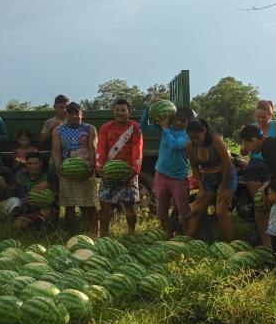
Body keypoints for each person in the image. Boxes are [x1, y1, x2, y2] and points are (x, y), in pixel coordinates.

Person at [141, 101, 192, 236]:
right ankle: (167, 236)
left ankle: (188, 237)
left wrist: (165, 129)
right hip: (161, 175)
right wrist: (147, 110)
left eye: (183, 120)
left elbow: (175, 145)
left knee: (184, 211)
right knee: (162, 211)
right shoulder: (166, 129)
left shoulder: (188, 135)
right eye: (177, 119)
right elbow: (143, 128)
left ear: (189, 122)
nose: (179, 122)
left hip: (178, 178)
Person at [241, 100, 276, 246]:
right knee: (259, 203)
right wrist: (245, 149)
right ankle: (263, 239)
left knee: (272, 201)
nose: (260, 120)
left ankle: (275, 237)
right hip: (255, 165)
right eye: (258, 117)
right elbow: (244, 150)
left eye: (263, 117)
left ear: (270, 114)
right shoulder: (252, 128)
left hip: (271, 165)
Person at [96, 98, 143, 236]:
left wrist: (134, 171)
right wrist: (100, 168)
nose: (120, 113)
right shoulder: (105, 127)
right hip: (108, 172)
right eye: (117, 110)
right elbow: (101, 148)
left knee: (130, 206)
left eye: (123, 110)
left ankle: (131, 234)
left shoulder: (135, 127)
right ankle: (104, 235)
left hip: (129, 173)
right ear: (113, 111)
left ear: (129, 112)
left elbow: (138, 149)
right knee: (105, 205)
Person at [186, 118, 236, 242]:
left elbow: (228, 166)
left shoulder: (216, 142)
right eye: (192, 138)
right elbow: (194, 168)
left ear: (204, 131)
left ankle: (232, 245)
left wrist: (222, 188)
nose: (195, 141)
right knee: (196, 211)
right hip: (208, 179)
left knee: (220, 213)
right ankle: (186, 241)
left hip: (226, 176)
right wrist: (202, 189)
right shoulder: (190, 147)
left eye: (197, 137)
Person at [53, 102, 99, 235]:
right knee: (69, 205)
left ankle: (95, 232)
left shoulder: (90, 128)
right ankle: (74, 233)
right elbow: (56, 150)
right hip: (67, 171)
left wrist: (91, 166)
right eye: (71, 113)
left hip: (86, 170)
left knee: (91, 204)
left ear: (81, 114)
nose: (74, 116)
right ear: (66, 115)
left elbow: (93, 148)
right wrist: (58, 167)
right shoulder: (58, 130)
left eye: (77, 113)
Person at [13, 152, 56, 231]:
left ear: (41, 163)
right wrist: (27, 200)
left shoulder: (49, 175)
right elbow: (21, 198)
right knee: (18, 225)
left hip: (47, 208)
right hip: (30, 209)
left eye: (36, 163)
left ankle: (45, 226)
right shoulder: (22, 176)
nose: (33, 166)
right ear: (26, 164)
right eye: (30, 163)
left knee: (47, 212)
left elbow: (58, 194)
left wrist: (49, 184)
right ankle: (36, 225)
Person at [41, 95, 70, 189]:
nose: (64, 110)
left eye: (66, 107)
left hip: (71, 157)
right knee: (55, 183)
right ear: (54, 107)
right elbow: (42, 140)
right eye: (61, 107)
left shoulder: (73, 120)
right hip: (54, 158)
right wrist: (51, 128)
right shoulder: (50, 122)